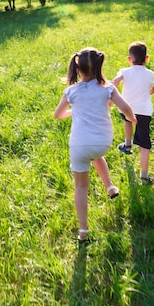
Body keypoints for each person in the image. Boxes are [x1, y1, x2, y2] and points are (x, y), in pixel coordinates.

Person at [54, 47, 136, 242]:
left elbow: (57, 115)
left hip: (79, 146)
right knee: (97, 155)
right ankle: (110, 187)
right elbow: (125, 107)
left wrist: (73, 112)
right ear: (100, 66)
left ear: (78, 68)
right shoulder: (107, 87)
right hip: (102, 143)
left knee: (81, 187)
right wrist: (132, 120)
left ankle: (83, 230)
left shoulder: (71, 91)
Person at [112, 41, 154, 183]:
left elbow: (115, 81)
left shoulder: (125, 71)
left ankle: (127, 144)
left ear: (129, 59)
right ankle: (144, 175)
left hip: (126, 108)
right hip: (144, 112)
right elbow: (151, 90)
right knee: (144, 144)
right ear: (146, 58)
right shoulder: (150, 74)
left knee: (128, 121)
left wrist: (112, 94)